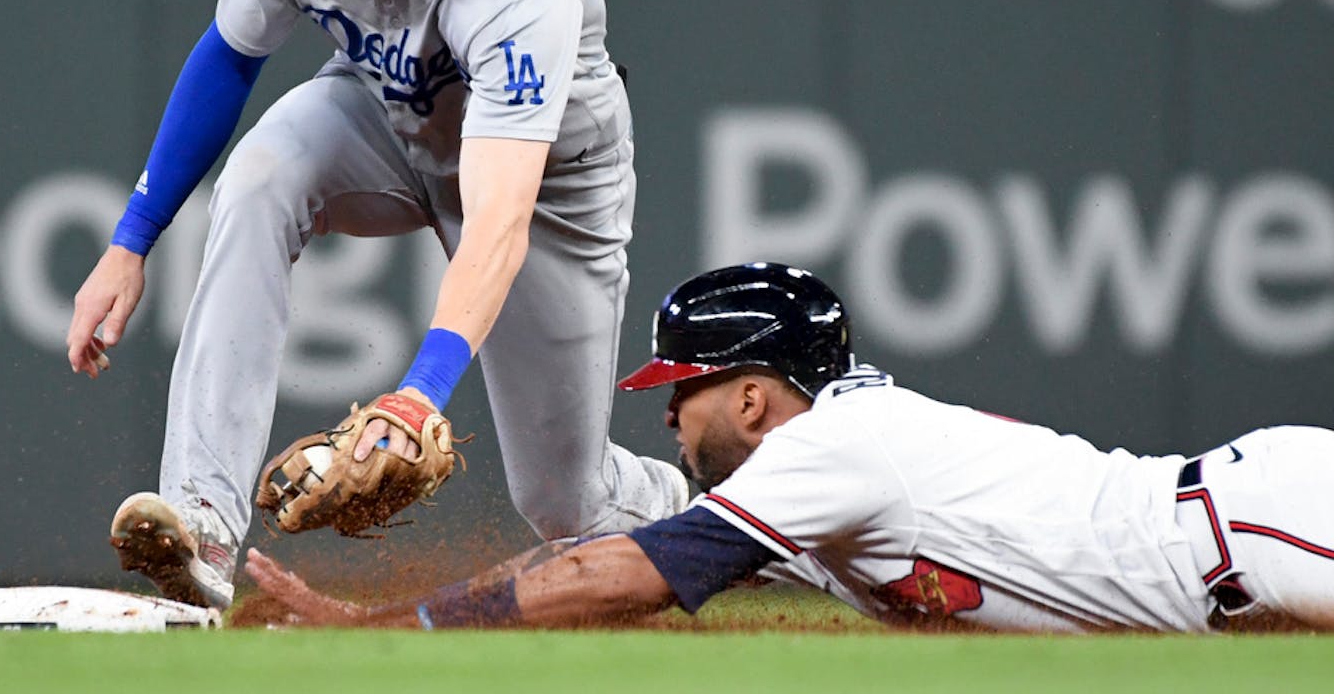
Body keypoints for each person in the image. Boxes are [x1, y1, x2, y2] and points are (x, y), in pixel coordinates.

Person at [63, 0, 689, 610]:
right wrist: (131, 241)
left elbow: (497, 214)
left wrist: (417, 395)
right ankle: (203, 521)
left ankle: (692, 511)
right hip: (390, 116)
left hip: (546, 187)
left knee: (563, 502)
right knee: (261, 178)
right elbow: (228, 56)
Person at [246, 262, 1334, 633]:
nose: (669, 419)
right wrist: (372, 621)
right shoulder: (818, 475)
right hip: (1240, 569)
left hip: (1262, 529)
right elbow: (568, 561)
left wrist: (410, 622)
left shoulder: (834, 451)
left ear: (759, 399)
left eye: (687, 392)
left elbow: (625, 575)